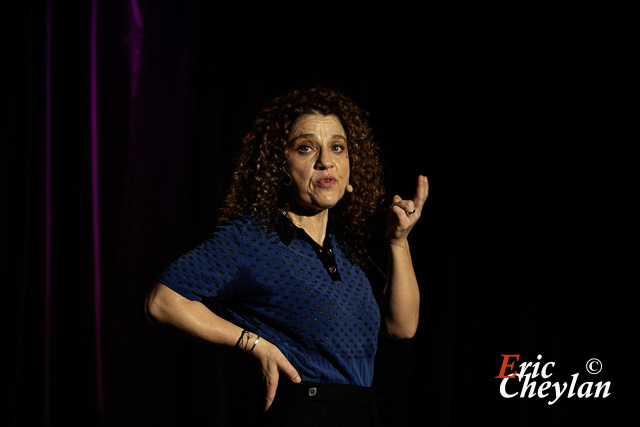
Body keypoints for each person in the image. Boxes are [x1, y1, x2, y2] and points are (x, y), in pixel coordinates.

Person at [145, 85, 428, 426]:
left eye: (337, 148)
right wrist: (253, 344)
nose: (326, 161)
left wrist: (398, 242)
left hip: (361, 410)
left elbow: (403, 326)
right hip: (304, 410)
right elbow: (163, 302)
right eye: (306, 148)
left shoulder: (347, 246)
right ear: (279, 164)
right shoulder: (252, 237)